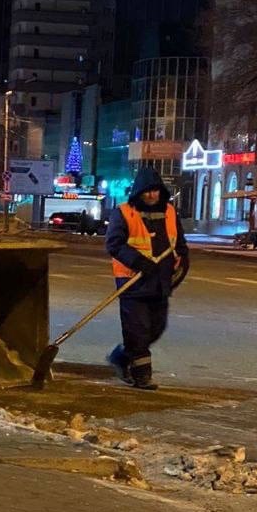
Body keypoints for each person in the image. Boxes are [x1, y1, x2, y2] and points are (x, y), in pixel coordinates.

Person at [105, 165, 189, 391]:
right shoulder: (124, 213)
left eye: (155, 191)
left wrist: (180, 269)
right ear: (138, 192)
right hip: (133, 282)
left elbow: (179, 246)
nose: (152, 195)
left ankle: (122, 356)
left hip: (160, 283)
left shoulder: (170, 212)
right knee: (138, 330)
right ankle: (141, 375)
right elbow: (114, 244)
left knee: (156, 328)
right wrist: (139, 262)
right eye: (147, 191)